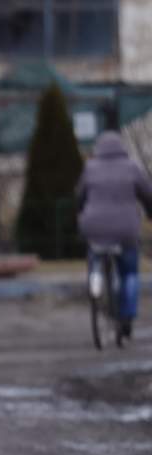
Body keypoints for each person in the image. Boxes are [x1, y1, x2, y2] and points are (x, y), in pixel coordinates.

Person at [77, 130, 152, 340]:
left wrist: (82, 214)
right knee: (130, 273)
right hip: (126, 230)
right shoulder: (132, 168)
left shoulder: (90, 168)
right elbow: (148, 195)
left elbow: (80, 196)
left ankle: (95, 280)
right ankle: (127, 317)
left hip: (95, 229)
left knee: (95, 253)